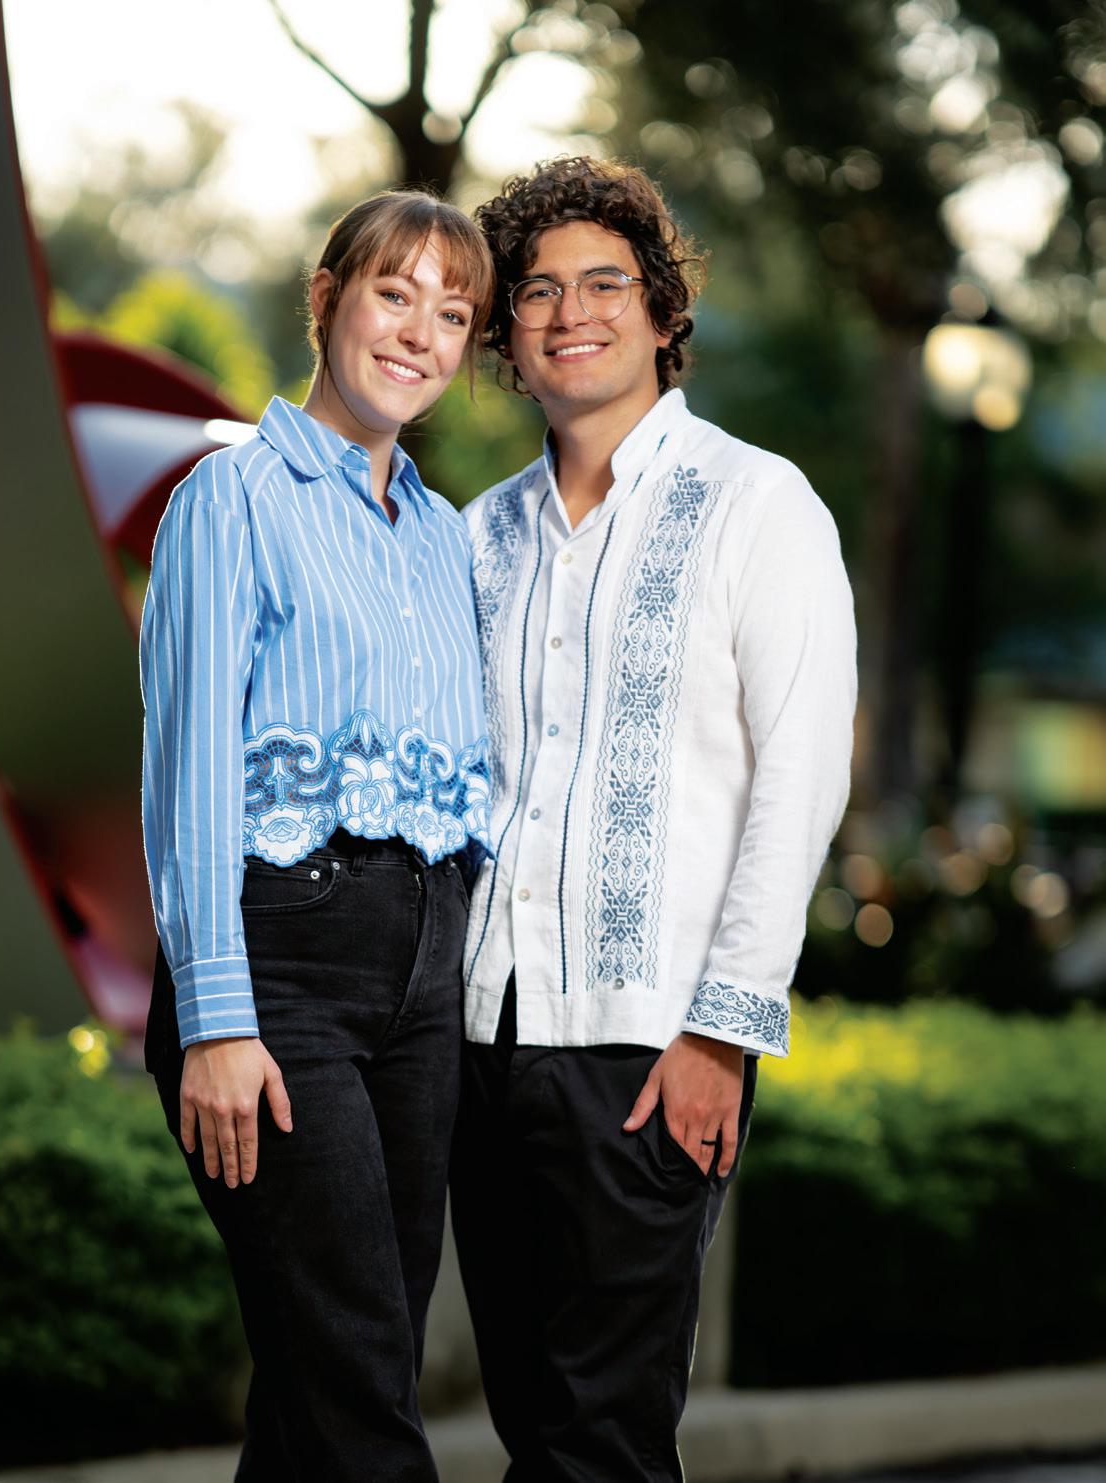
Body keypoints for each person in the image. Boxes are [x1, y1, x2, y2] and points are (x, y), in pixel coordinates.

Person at [451, 156, 857, 1482]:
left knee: (605, 1442)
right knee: (530, 1428)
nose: (571, 312)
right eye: (537, 291)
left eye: (605, 284)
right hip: (480, 1041)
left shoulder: (759, 504)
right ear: (508, 335)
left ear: (664, 310)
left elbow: (802, 777)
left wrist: (721, 1033)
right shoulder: (477, 537)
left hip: (649, 1044)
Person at [139, 189, 494, 1482]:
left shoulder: (446, 539)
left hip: (425, 984)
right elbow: (187, 777)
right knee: (359, 1391)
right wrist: (217, 1020)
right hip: (281, 974)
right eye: (394, 294)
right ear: (326, 298)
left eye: (452, 313)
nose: (419, 333)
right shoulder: (231, 499)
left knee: (327, 1392)